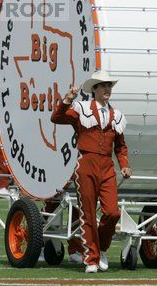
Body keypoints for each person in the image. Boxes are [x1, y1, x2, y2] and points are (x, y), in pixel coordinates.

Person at [51, 70, 130, 273]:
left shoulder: (117, 114)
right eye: (103, 85)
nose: (107, 89)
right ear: (94, 89)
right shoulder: (81, 108)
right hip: (86, 164)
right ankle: (91, 259)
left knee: (112, 213)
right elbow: (56, 117)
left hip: (107, 167)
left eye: (109, 85)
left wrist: (124, 165)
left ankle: (101, 248)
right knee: (87, 214)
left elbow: (120, 146)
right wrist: (67, 100)